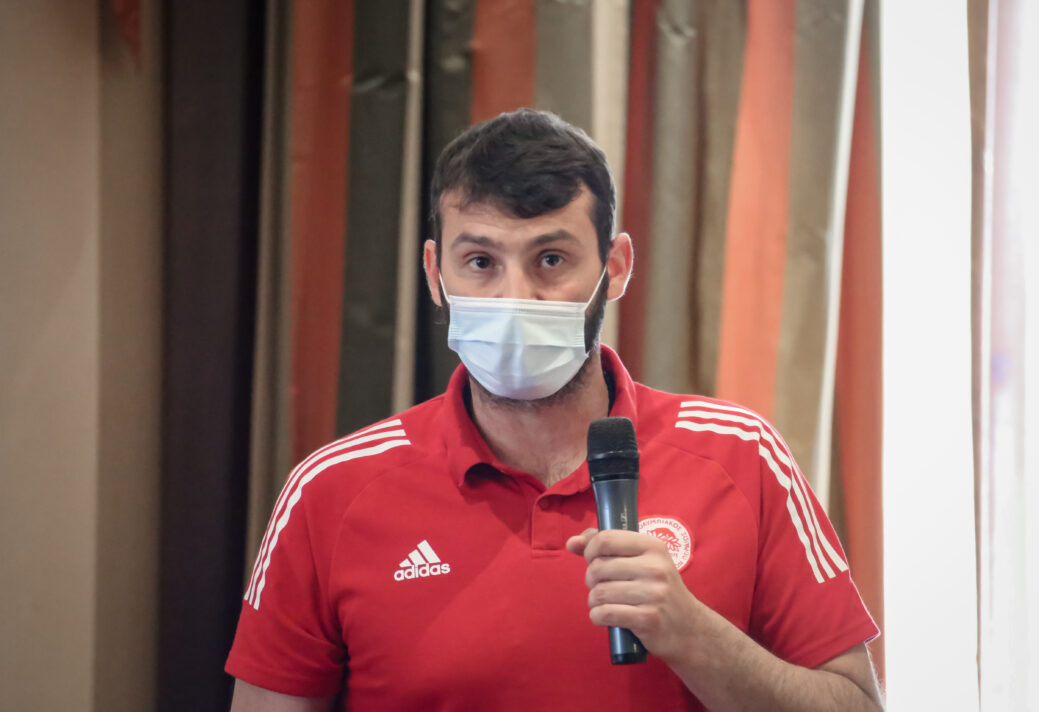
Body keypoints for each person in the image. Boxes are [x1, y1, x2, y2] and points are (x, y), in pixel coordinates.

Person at [226, 109, 883, 711]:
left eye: (550, 259)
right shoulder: (330, 491)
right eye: (480, 261)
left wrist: (694, 636)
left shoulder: (742, 455)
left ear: (615, 268)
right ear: (434, 274)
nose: (516, 297)